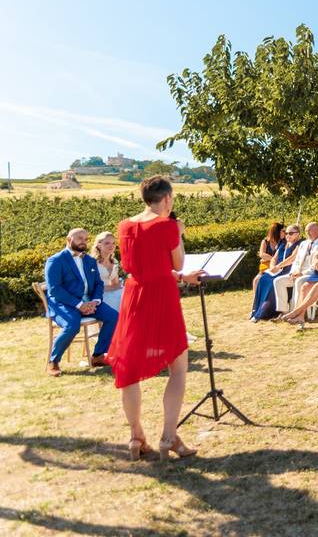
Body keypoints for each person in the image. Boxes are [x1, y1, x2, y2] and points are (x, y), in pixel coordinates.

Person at [107, 175, 205, 460]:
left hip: (134, 295)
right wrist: (178, 235)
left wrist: (177, 275)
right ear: (167, 198)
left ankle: (136, 437)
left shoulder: (125, 226)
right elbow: (177, 262)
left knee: (129, 370)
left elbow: (140, 265)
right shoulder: (167, 225)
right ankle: (168, 437)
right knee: (178, 367)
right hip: (161, 297)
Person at [44, 228, 120, 376]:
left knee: (113, 316)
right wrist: (79, 305)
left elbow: (98, 284)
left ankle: (98, 355)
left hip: (90, 301)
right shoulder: (55, 260)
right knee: (72, 326)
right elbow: (55, 290)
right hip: (64, 304)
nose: (83, 242)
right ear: (68, 239)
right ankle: (53, 361)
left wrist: (95, 301)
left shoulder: (89, 260)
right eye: (79, 238)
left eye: (85, 239)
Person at [250, 225, 303, 321]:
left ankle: (269, 311)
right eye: (286, 233)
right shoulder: (283, 244)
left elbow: (292, 259)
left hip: (288, 270)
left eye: (291, 233)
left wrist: (278, 266)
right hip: (278, 270)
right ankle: (258, 309)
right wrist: (272, 266)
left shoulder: (299, 244)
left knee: (272, 282)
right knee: (263, 279)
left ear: (298, 234)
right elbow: (274, 257)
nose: (287, 235)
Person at [275, 222, 318, 314]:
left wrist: (302, 274)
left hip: (312, 274)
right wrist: (293, 272)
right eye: (306, 231)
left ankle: (295, 312)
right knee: (278, 281)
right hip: (297, 272)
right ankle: (284, 312)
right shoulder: (303, 243)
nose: (308, 233)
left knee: (299, 281)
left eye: (310, 230)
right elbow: (296, 260)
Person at [93, 231, 124, 313]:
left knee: (129, 296)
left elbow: (116, 284)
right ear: (99, 245)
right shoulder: (92, 262)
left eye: (113, 243)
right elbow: (91, 287)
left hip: (112, 292)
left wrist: (118, 286)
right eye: (107, 243)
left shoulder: (114, 261)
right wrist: (114, 287)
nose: (112, 246)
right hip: (99, 295)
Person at [254, 222, 284, 288]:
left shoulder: (284, 241)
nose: (284, 232)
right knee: (256, 280)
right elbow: (262, 254)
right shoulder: (265, 241)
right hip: (267, 266)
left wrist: (270, 259)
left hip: (279, 266)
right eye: (282, 231)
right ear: (277, 232)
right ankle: (257, 298)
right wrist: (273, 259)